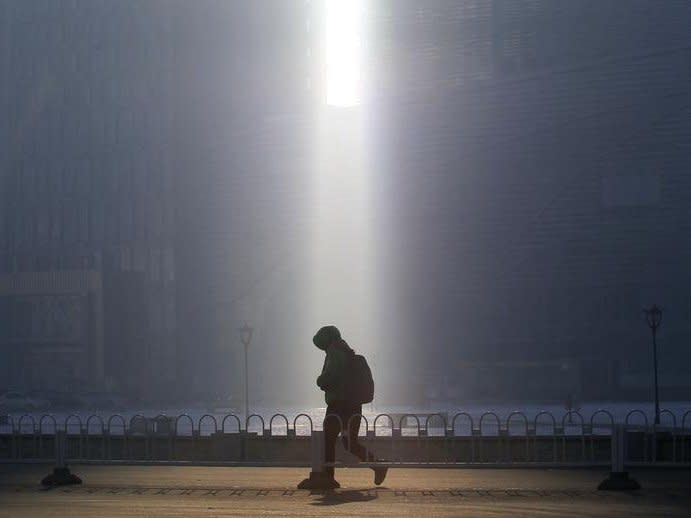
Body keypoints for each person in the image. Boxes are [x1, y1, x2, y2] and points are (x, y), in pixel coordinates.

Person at [313, 325, 387, 488]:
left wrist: (320, 381)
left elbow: (332, 375)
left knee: (328, 439)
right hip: (354, 405)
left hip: (338, 405)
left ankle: (328, 477)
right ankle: (378, 465)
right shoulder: (346, 350)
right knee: (350, 443)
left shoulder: (335, 351)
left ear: (327, 339)